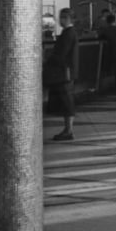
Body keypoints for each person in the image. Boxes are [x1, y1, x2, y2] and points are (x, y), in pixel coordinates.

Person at [45, 8, 79, 141]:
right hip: (68, 72)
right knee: (67, 100)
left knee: (66, 101)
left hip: (64, 73)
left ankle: (68, 130)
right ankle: (68, 129)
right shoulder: (70, 32)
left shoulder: (67, 34)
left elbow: (60, 54)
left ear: (72, 19)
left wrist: (46, 61)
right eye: (61, 17)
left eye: (65, 17)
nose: (62, 20)